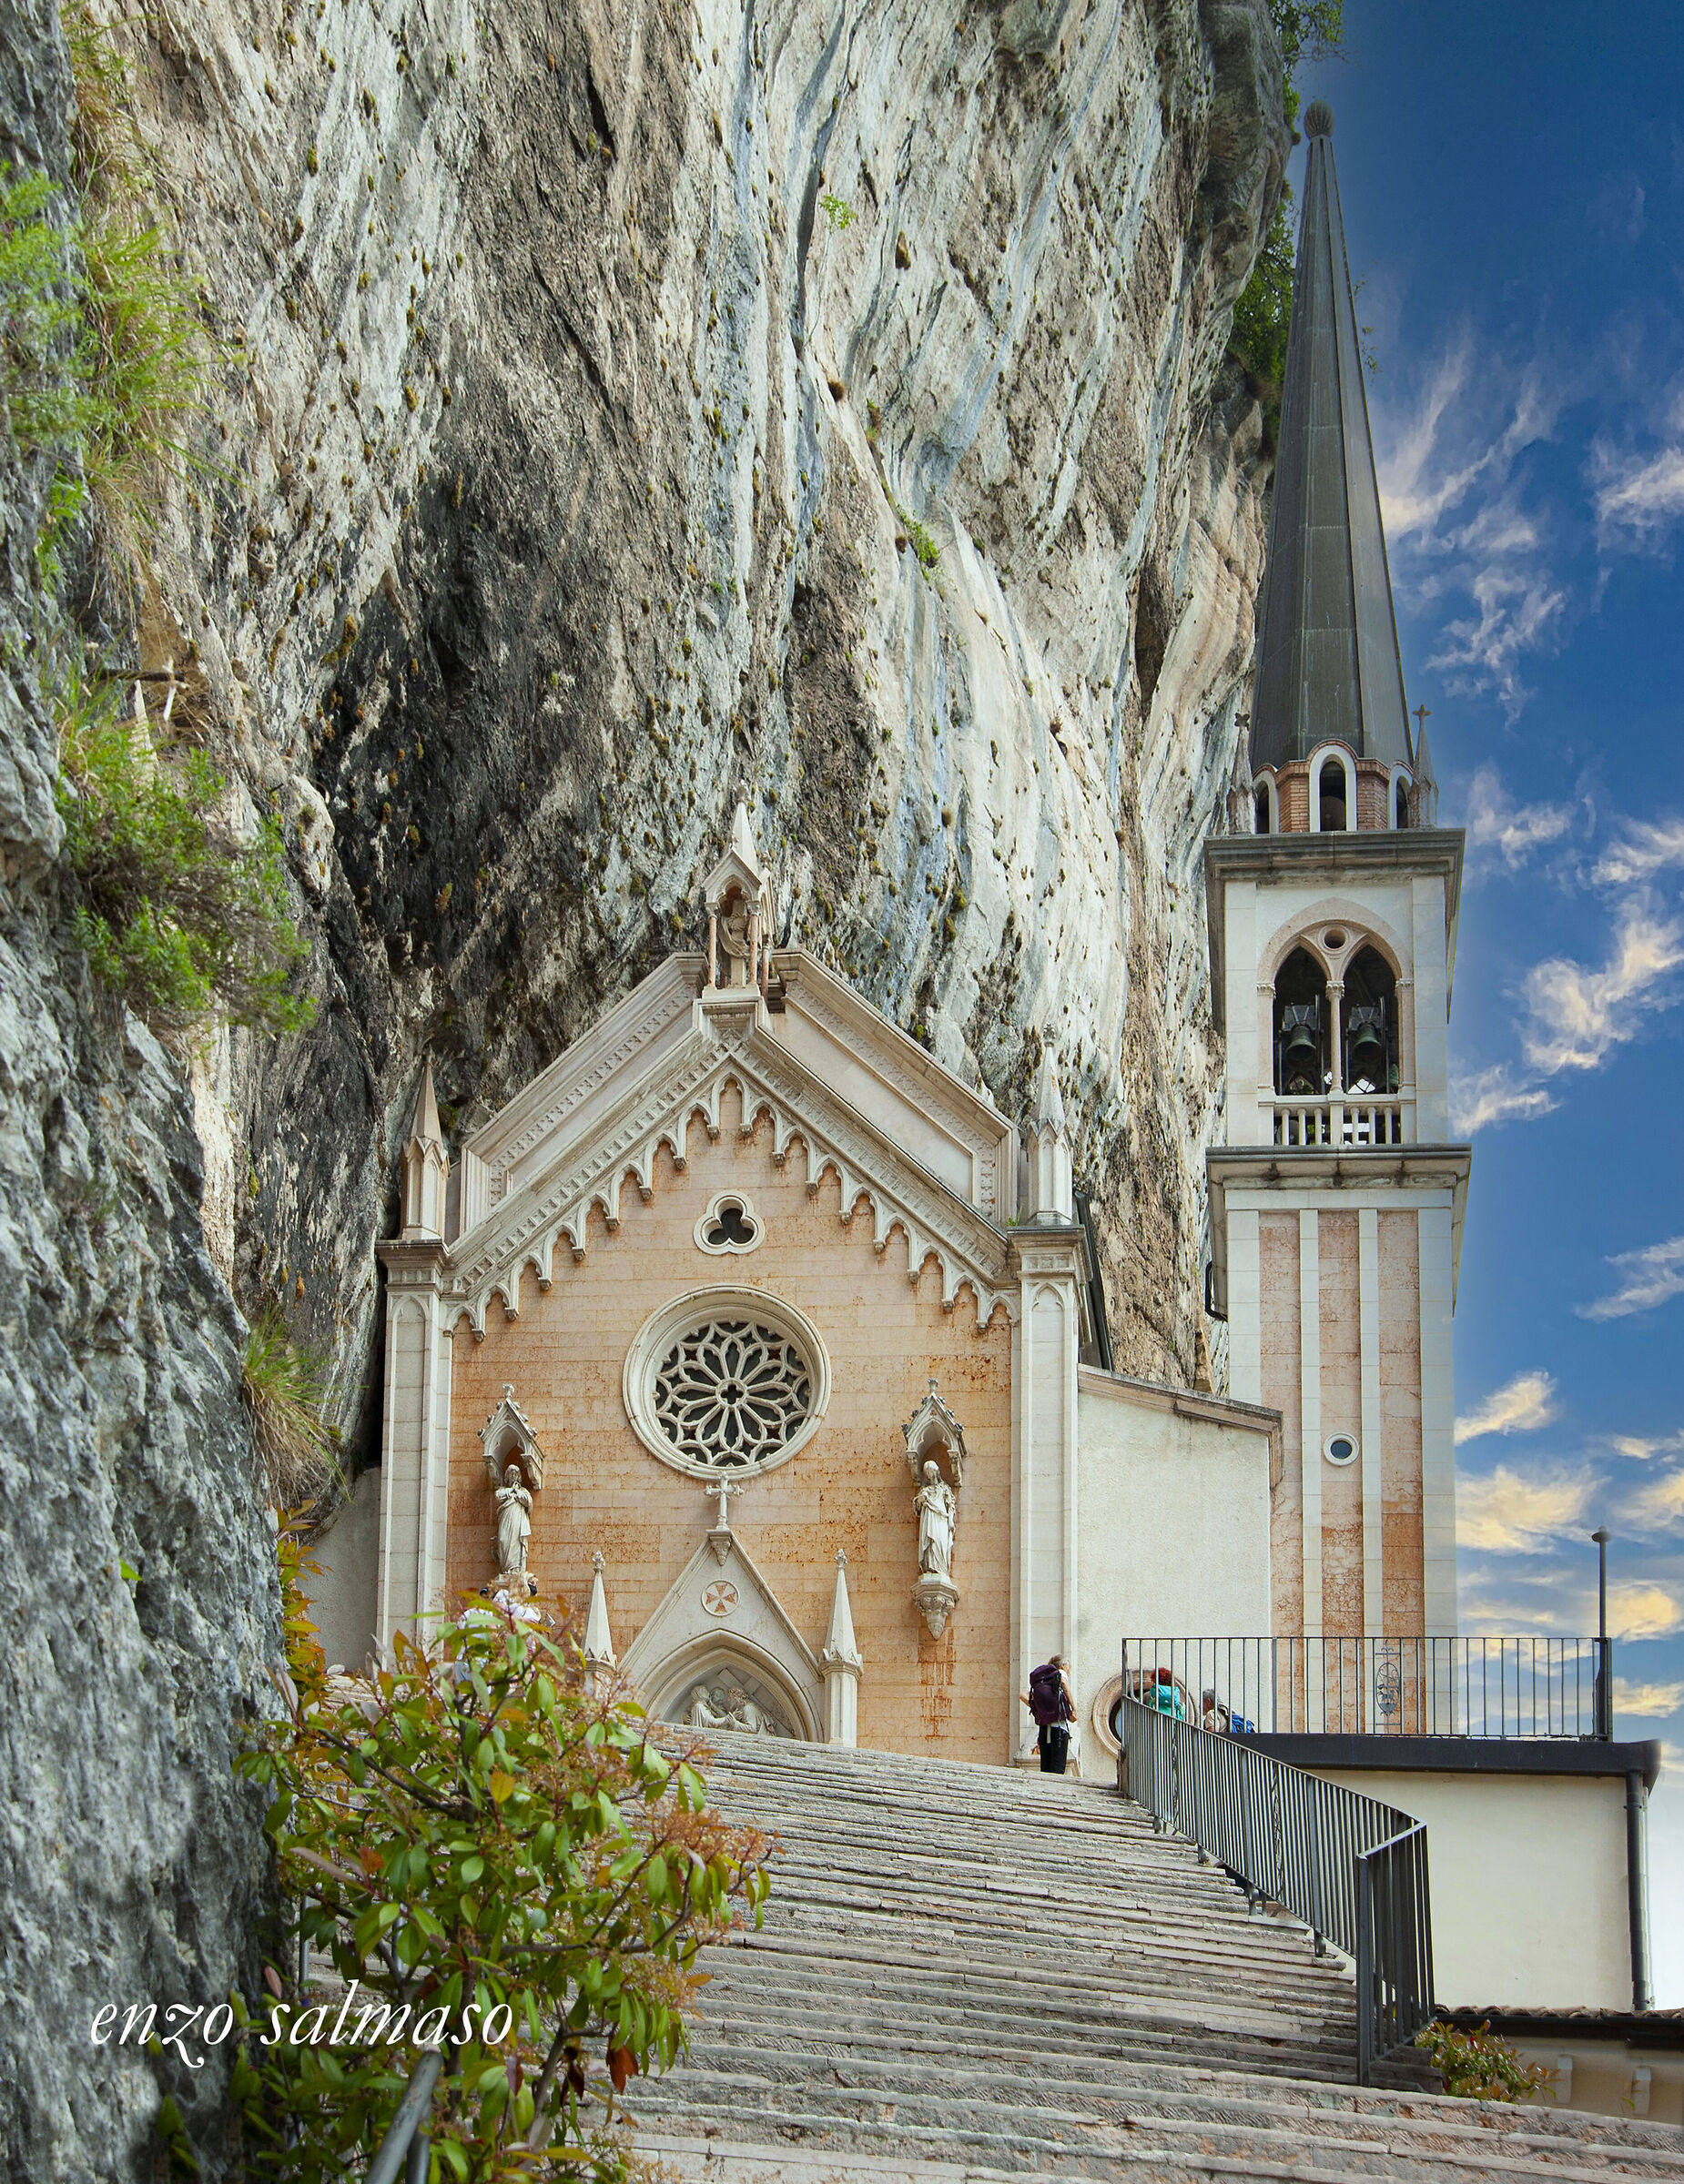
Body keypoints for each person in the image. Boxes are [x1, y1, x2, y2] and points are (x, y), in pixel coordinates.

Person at [1022, 1655, 1075, 1774]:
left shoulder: (1043, 1681)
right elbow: (1063, 1682)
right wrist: (1074, 1709)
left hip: (1044, 1730)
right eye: (1069, 1668)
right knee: (1058, 1769)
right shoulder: (1060, 1673)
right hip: (1059, 1729)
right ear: (1063, 1666)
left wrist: (1038, 1708)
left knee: (1046, 1769)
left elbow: (1022, 1695)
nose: (1070, 1671)